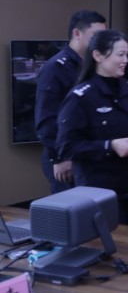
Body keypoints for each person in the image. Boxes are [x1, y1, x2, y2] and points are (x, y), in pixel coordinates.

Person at [55, 30, 128, 225]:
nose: (126, 60)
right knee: (105, 240)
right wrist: (109, 146)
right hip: (97, 189)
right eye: (120, 55)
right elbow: (67, 146)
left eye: (127, 54)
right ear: (98, 56)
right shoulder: (81, 96)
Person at [35, 10, 107, 193]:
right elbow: (46, 120)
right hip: (66, 155)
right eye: (96, 35)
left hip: (89, 151)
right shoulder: (55, 68)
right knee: (71, 207)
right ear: (77, 34)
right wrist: (59, 158)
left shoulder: (93, 66)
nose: (101, 42)